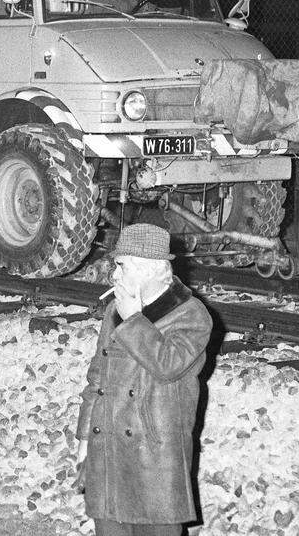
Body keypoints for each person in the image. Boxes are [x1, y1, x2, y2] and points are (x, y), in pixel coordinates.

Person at [75, 223, 212, 536]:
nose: (114, 275)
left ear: (149, 268)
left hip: (155, 457)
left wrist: (134, 318)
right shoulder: (115, 310)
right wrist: (84, 439)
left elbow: (168, 365)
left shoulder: (191, 315)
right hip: (107, 447)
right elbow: (97, 375)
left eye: (121, 266)